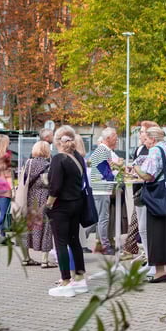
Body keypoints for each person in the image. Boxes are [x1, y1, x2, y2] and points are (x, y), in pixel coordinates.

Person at [134, 127, 166, 283]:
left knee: (157, 233)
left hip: (159, 195)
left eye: (146, 139)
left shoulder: (154, 150)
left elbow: (148, 175)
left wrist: (135, 167)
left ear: (152, 139)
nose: (145, 142)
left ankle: (160, 271)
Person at [46, 126, 88, 297]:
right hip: (76, 203)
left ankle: (65, 280)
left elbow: (55, 187)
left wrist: (48, 205)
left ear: (57, 141)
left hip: (61, 206)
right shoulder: (77, 157)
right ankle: (79, 276)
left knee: (61, 242)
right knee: (74, 241)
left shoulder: (58, 159)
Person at [23, 141, 54, 267]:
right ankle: (44, 260)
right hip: (44, 198)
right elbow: (51, 183)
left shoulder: (28, 163)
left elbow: (23, 180)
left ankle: (26, 258)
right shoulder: (49, 165)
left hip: (29, 198)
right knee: (45, 227)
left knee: (28, 226)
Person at [131, 121, 158, 263]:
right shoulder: (139, 149)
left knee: (145, 227)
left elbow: (148, 173)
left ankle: (151, 257)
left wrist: (137, 170)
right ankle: (147, 255)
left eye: (142, 132)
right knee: (140, 227)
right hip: (138, 190)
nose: (140, 135)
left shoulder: (154, 151)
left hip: (149, 191)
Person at [90, 127, 120, 255]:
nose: (117, 139)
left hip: (99, 188)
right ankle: (105, 246)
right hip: (101, 189)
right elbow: (105, 171)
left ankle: (82, 239)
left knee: (97, 218)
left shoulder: (102, 150)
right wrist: (117, 173)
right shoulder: (103, 150)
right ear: (108, 138)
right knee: (102, 218)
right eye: (115, 136)